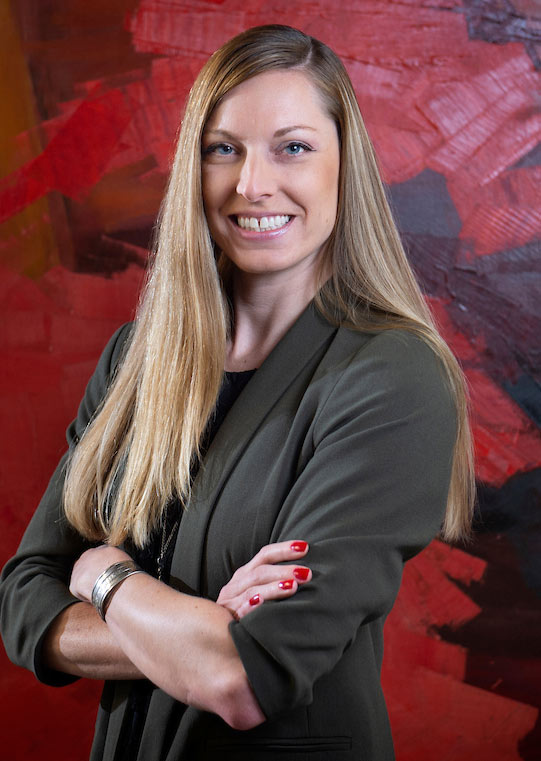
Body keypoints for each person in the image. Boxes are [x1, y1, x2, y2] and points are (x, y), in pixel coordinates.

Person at [0, 24, 474, 761]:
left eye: (292, 147)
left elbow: (244, 676)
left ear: (342, 166)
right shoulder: (137, 361)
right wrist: (196, 629)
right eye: (224, 148)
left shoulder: (394, 378)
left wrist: (105, 578)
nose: (252, 183)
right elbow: (25, 600)